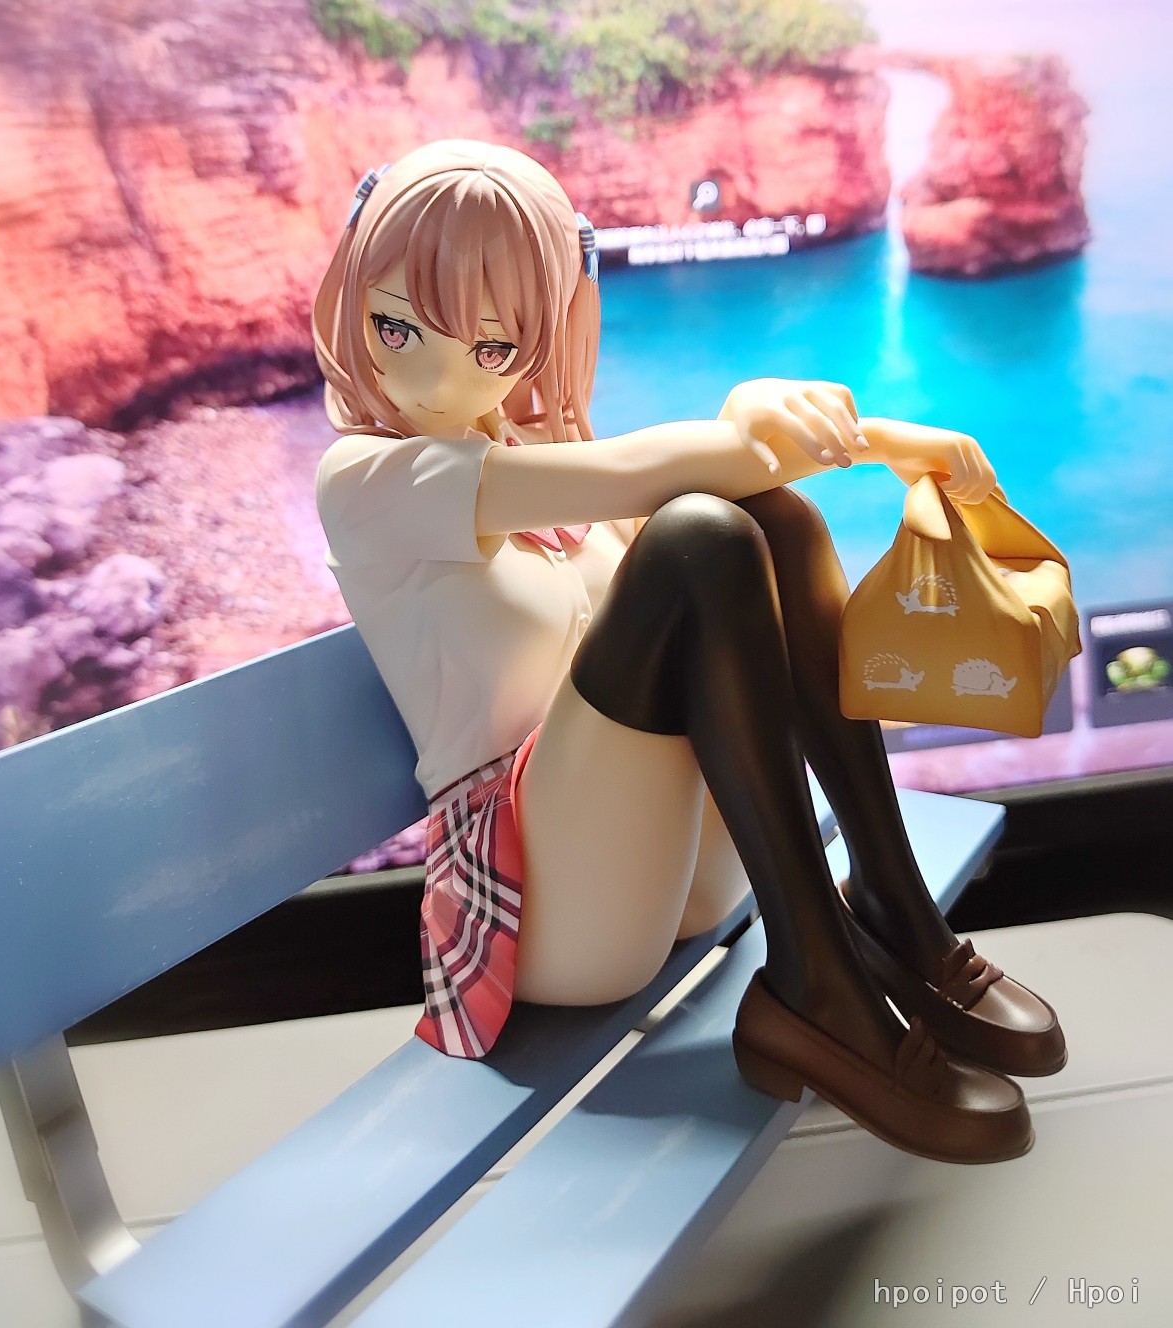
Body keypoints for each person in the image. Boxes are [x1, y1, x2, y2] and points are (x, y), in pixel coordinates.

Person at [312, 140, 1064, 1165]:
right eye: (394, 325)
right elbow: (646, 472)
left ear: (548, 330)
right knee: (700, 536)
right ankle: (817, 989)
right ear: (351, 296)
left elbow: (686, 479)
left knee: (771, 519)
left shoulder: (527, 455)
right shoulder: (365, 480)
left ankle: (890, 906)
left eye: (490, 347)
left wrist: (762, 422)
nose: (434, 377)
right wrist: (856, 434)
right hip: (541, 916)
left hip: (672, 873)